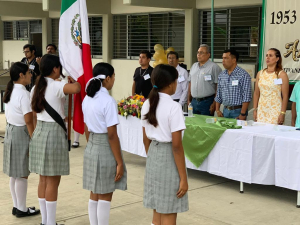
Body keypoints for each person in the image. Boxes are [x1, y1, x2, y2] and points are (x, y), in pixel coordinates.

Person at [29, 54, 81, 225]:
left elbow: (35, 115)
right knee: (53, 180)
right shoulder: (57, 85)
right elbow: (77, 88)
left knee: (43, 179)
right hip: (53, 132)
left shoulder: (36, 87)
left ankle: (45, 221)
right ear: (55, 69)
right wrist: (72, 78)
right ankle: (50, 222)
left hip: (40, 131)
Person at [141, 64, 189, 225]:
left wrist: (152, 156)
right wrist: (183, 178)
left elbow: (145, 138)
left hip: (153, 155)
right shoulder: (174, 107)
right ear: (171, 84)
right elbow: (176, 146)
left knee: (157, 208)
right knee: (168, 209)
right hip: (168, 157)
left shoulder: (147, 103)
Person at [82, 62, 127, 225]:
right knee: (106, 193)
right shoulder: (108, 101)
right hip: (104, 146)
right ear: (107, 78)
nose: (114, 80)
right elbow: (112, 135)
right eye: (113, 77)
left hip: (92, 144)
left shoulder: (87, 98)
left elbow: (86, 127)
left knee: (95, 191)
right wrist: (120, 162)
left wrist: (91, 145)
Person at [2, 62, 40, 218]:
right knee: (23, 173)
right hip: (20, 133)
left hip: (11, 131)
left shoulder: (11, 91)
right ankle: (22, 209)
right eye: (28, 73)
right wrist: (34, 141)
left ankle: (17, 206)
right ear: (21, 75)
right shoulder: (23, 94)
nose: (31, 75)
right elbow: (29, 121)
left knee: (14, 173)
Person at [253, 48, 289, 125]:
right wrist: (255, 109)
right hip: (262, 109)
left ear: (277, 59)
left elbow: (285, 96)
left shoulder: (281, 74)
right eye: (266, 55)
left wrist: (282, 113)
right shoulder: (260, 73)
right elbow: (256, 93)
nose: (267, 58)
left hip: (275, 110)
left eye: (270, 56)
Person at [215, 49, 252, 119]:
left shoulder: (243, 75)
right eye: (222, 58)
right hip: (225, 111)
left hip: (238, 111)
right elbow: (218, 94)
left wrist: (243, 114)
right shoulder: (222, 75)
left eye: (226, 58)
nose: (223, 61)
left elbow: (247, 97)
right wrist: (217, 110)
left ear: (234, 60)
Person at [188, 44, 222, 115]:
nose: (199, 55)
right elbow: (190, 83)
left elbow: (218, 87)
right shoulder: (194, 66)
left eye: (201, 53)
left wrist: (214, 103)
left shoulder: (214, 67)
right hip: (194, 101)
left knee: (206, 124)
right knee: (194, 124)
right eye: (198, 52)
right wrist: (188, 99)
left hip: (207, 102)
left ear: (208, 54)